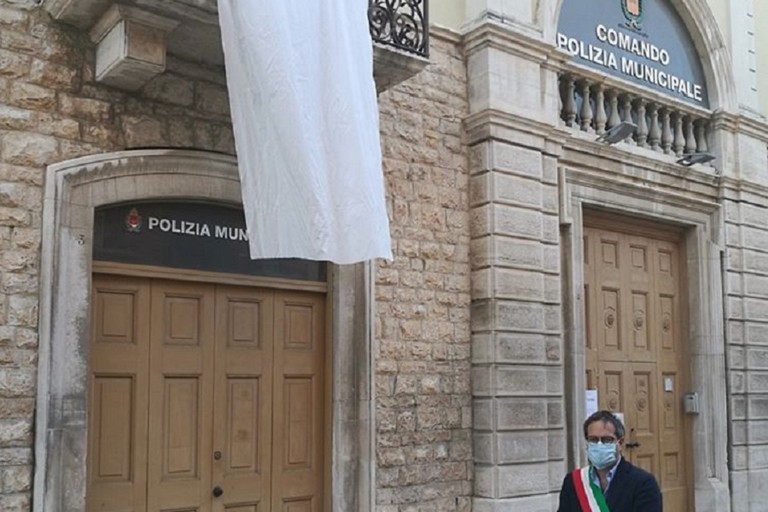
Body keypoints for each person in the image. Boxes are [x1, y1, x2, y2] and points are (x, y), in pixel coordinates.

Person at [557, 410, 662, 512]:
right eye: (593, 440)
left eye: (606, 440)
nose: (599, 445)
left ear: (620, 443)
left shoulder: (643, 483)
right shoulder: (574, 481)